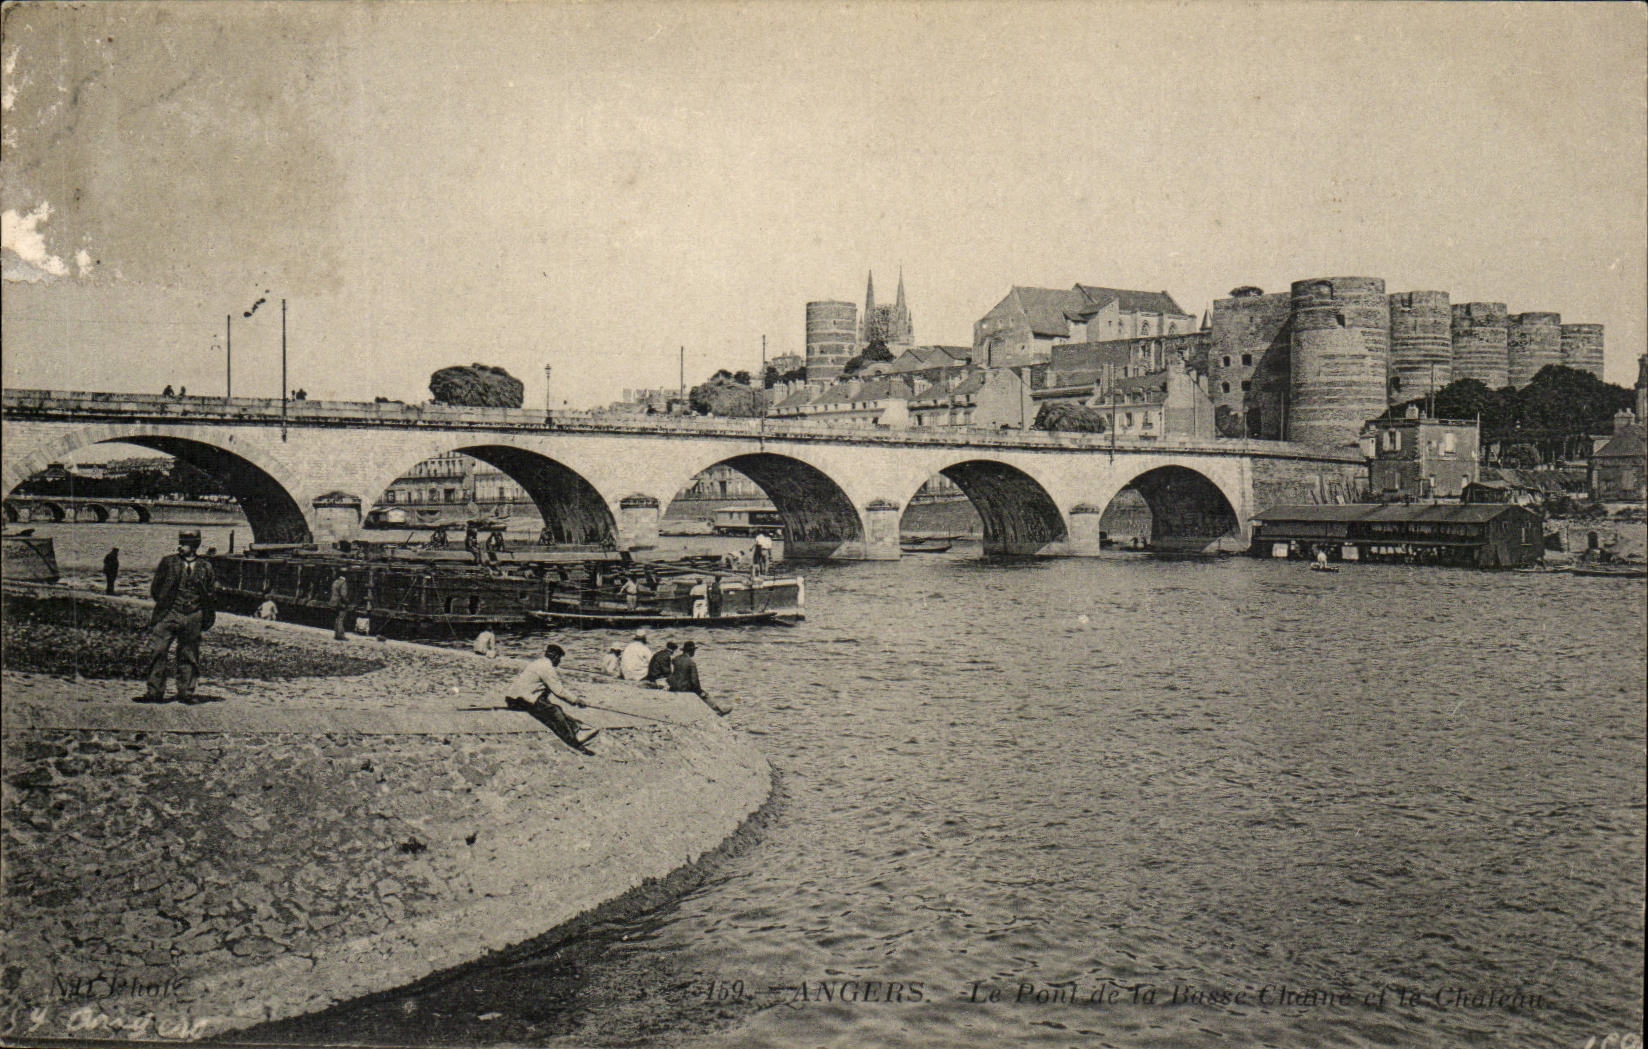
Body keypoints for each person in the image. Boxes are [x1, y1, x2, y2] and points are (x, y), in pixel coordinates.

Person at [140, 530, 216, 704]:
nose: (180, 547)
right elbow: (156, 588)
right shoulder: (168, 563)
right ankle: (155, 692)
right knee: (158, 650)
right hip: (169, 613)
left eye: (185, 544)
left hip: (194, 616)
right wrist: (165, 605)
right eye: (181, 543)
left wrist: (203, 614)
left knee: (189, 654)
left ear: (194, 546)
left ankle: (186, 692)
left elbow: (210, 593)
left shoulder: (205, 567)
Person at [502, 643, 599, 753]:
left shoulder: (538, 663)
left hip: (514, 698)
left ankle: (577, 730)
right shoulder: (546, 668)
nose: (559, 662)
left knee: (555, 708)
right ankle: (574, 742)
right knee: (555, 713)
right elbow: (559, 691)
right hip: (521, 700)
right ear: (555, 657)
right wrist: (576, 700)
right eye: (560, 659)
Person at [668, 640, 731, 715]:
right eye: (694, 650)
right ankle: (718, 710)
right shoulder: (691, 663)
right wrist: (700, 691)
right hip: (684, 689)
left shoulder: (676, 659)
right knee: (704, 695)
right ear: (691, 651)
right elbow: (695, 681)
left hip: (674, 687)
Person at [329, 570, 351, 640]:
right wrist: (347, 601)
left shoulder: (335, 582)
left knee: (337, 618)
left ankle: (336, 634)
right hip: (340, 603)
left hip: (333, 602)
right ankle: (340, 635)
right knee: (341, 619)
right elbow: (343, 594)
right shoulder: (343, 583)